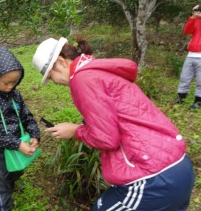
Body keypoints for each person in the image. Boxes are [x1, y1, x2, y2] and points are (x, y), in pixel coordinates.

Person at [32, 37, 195, 210]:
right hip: (178, 165)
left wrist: (75, 131)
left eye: (51, 76)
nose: (55, 82)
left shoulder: (82, 78)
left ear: (61, 62)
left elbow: (106, 139)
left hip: (152, 178)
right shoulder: (98, 70)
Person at [0, 46, 40, 211]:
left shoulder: (15, 95)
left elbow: (26, 116)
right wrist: (17, 144)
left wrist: (34, 134)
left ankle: (11, 184)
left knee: (15, 173)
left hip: (18, 147)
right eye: (6, 82)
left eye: (14, 82)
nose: (10, 86)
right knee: (2, 196)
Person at [175, 4, 201, 109]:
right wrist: (192, 17)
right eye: (196, 10)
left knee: (200, 80)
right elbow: (186, 31)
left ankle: (198, 101)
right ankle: (181, 96)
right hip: (191, 54)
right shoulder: (195, 20)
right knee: (184, 77)